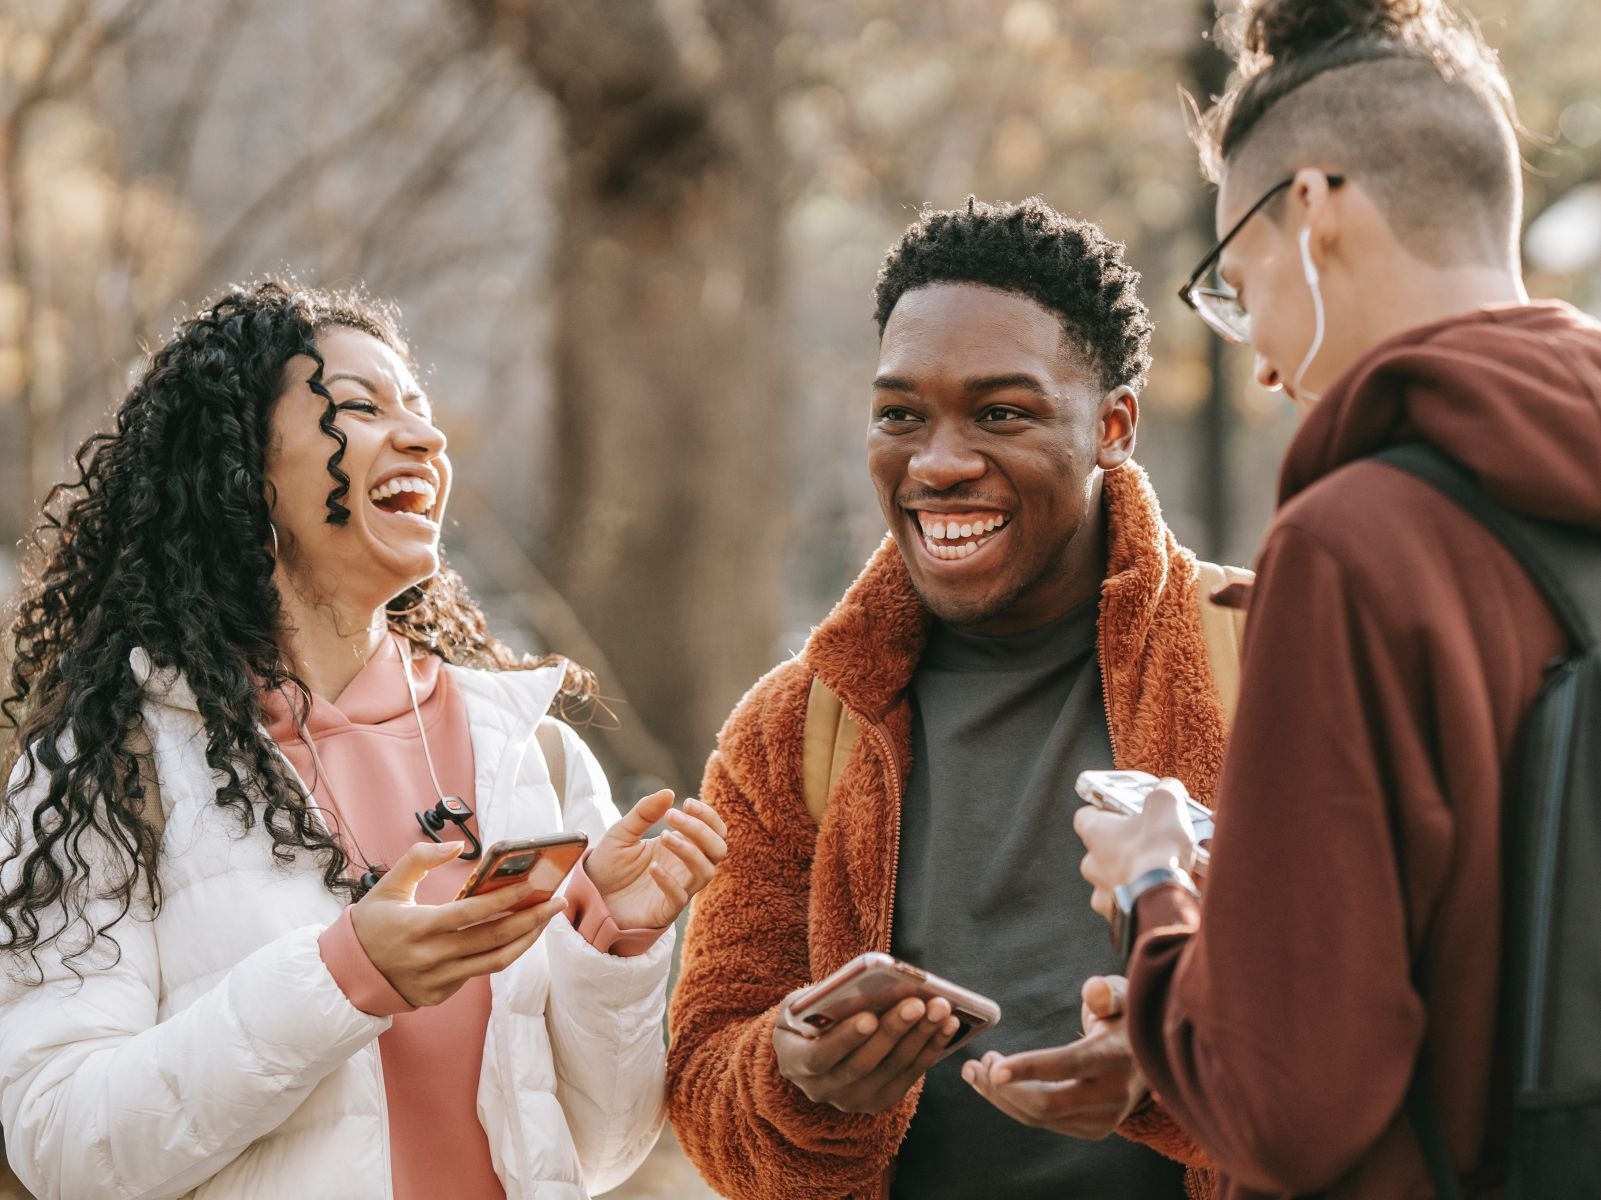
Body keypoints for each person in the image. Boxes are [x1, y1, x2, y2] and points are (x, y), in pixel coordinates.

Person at [975, 0, 1601, 1196]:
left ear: (1313, 209)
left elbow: (1287, 1102)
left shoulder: (1354, 545)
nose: (1259, 360)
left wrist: (1155, 890)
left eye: (1235, 281)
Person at [0, 280, 728, 1200]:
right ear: (241, 471)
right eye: (360, 409)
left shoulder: (529, 752)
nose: (424, 437)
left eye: (418, 409)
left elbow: (601, 1147)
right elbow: (63, 1145)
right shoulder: (114, 768)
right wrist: (342, 979)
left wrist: (610, 943)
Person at [668, 198, 1249, 1199]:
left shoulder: (1269, 659)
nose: (937, 463)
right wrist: (795, 1078)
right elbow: (704, 1085)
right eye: (900, 415)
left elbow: (1387, 1036)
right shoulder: (793, 729)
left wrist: (1170, 1070)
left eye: (1000, 414)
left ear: (1112, 427)